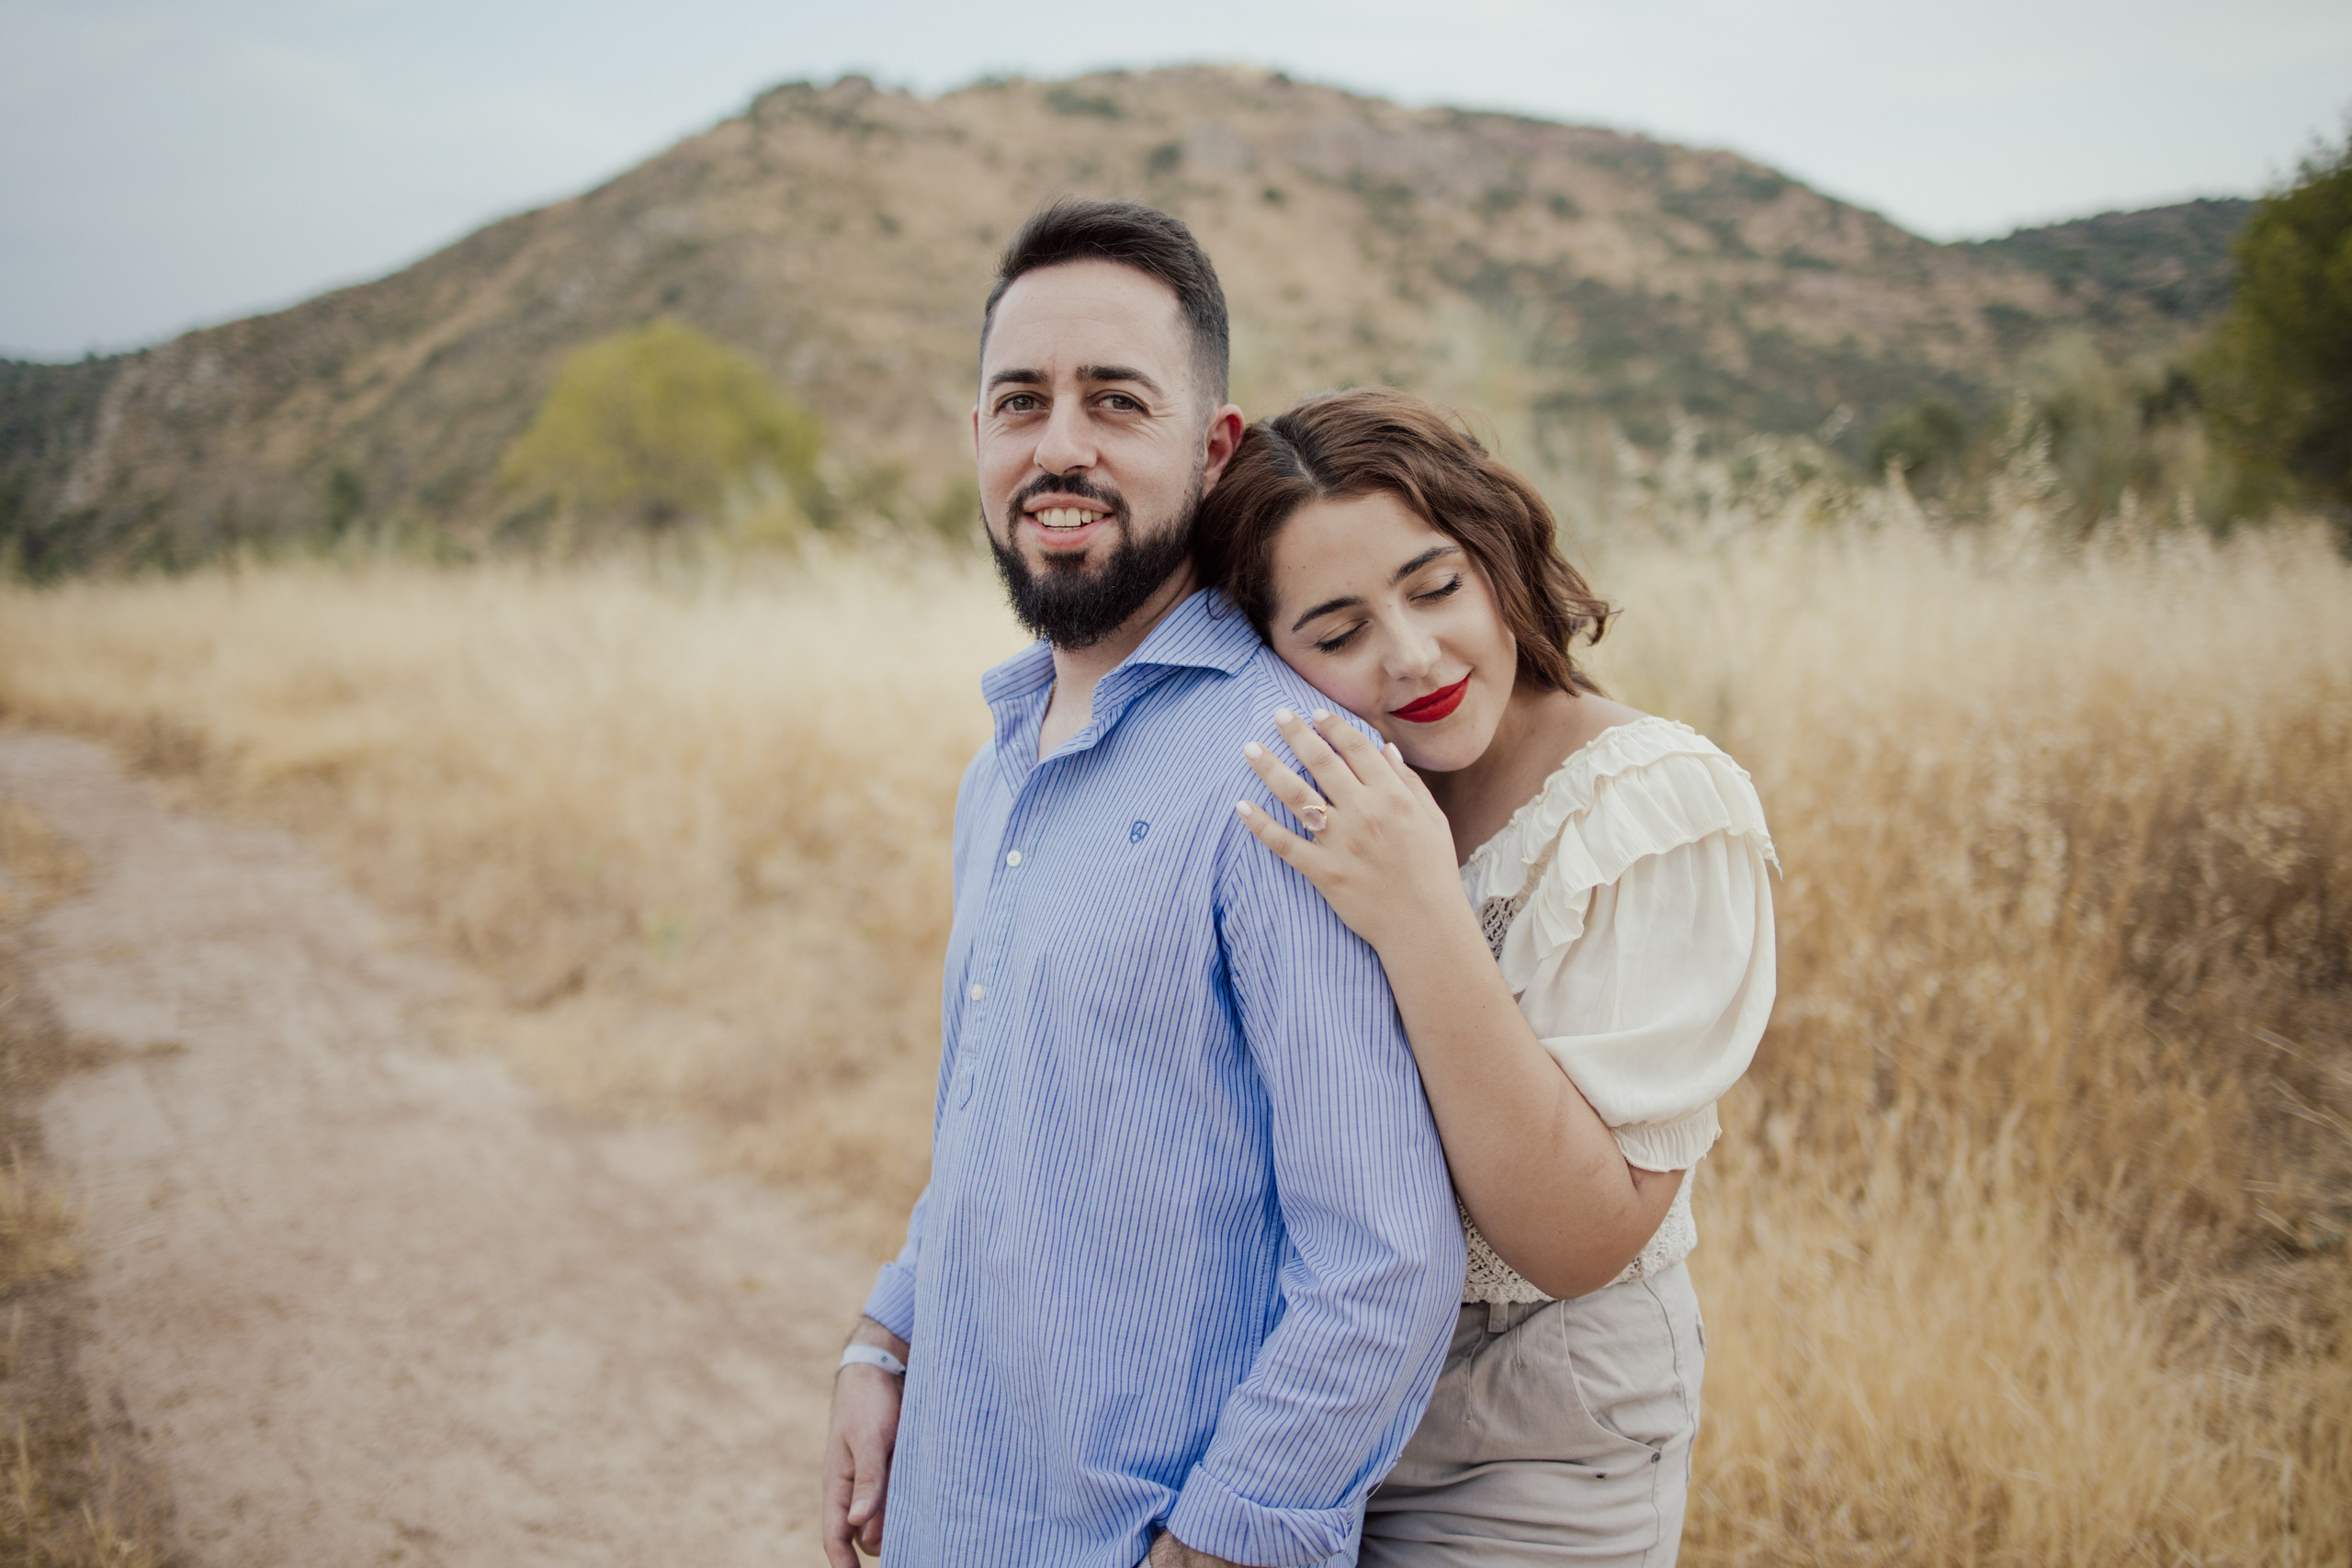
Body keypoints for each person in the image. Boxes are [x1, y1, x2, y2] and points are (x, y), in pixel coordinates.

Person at [820, 205, 1464, 1568]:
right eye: (1020, 402)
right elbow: (1009, 1124)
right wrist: (890, 1330)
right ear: (979, 441)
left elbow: (1386, 1263)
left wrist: (1216, 1545)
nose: (1061, 446)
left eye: (1116, 401)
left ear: (1210, 445)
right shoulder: (1003, 760)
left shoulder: (1289, 772)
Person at [1197, 386, 1778, 1566]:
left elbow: (1580, 1234)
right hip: (1298, 1410)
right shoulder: (1312, 797)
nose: (1410, 657)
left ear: (1497, 558)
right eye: (1337, 630)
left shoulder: (1648, 807)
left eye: (1434, 586)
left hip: (1534, 1433)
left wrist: (1420, 914)